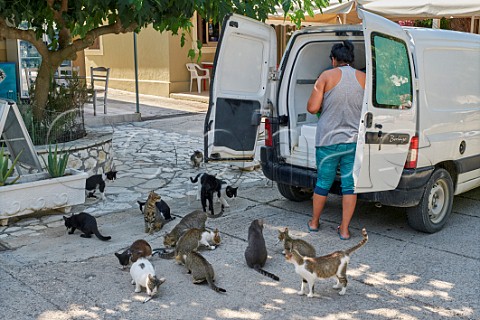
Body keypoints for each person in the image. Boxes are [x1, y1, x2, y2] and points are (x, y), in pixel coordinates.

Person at [306, 40, 366, 240]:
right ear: (350, 59)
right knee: (349, 185)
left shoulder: (326, 76)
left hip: (328, 140)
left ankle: (314, 223)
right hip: (353, 141)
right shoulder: (364, 78)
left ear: (333, 59)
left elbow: (313, 108)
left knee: (323, 181)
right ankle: (345, 230)